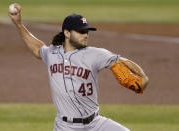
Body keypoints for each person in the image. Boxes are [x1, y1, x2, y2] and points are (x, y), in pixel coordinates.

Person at [9, 3, 149, 131]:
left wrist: (143, 76)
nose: (85, 35)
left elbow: (122, 61)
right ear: (67, 33)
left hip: (95, 124)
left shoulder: (95, 54)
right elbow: (37, 49)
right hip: (65, 127)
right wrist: (19, 24)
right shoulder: (52, 53)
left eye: (87, 31)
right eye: (81, 32)